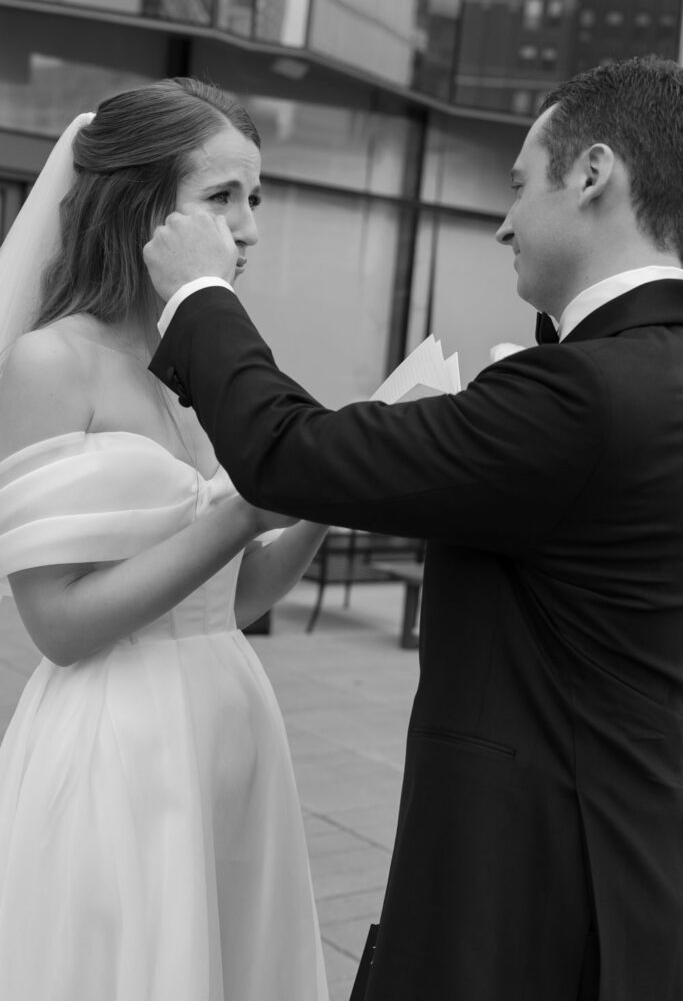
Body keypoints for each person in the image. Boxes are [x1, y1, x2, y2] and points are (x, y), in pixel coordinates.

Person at [144, 55, 683, 999]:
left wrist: (198, 295)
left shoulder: (585, 394)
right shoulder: (639, 373)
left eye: (519, 184)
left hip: (534, 891)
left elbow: (288, 454)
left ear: (593, 174)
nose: (504, 220)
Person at [0, 79, 330, 1001]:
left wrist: (323, 499)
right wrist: (238, 511)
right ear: (140, 206)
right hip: (125, 740)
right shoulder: (50, 361)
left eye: (253, 198)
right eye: (220, 197)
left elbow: (239, 596)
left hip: (229, 715)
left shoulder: (184, 369)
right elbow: (58, 625)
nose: (249, 227)